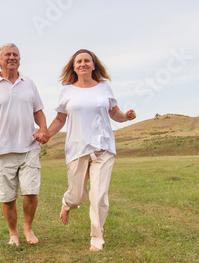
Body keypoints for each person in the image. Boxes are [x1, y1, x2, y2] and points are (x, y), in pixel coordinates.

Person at [44, 49, 136, 252]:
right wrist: (46, 134)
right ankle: (67, 203)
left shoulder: (104, 88)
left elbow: (115, 113)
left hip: (103, 147)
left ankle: (96, 235)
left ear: (94, 65)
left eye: (87, 61)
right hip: (77, 148)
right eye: (79, 61)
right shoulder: (67, 91)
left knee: (99, 194)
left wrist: (126, 116)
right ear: (74, 66)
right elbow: (60, 119)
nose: (83, 64)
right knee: (78, 195)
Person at [0, 43, 49, 246]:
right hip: (3, 149)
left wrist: (42, 129)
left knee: (31, 192)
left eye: (15, 54)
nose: (12, 57)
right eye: (7, 54)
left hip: (29, 147)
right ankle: (13, 233)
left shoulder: (29, 84)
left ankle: (28, 228)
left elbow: (39, 111)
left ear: (20, 59)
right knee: (8, 197)